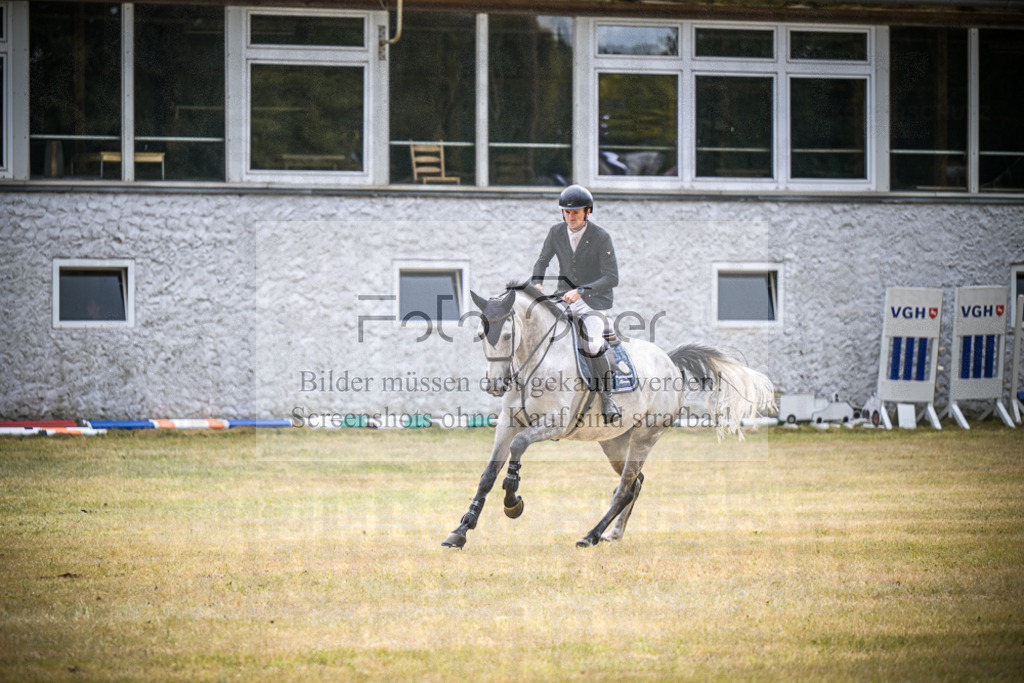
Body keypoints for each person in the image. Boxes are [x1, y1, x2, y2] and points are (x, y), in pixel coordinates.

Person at [531, 184, 621, 423]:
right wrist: (537, 283)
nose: (570, 217)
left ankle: (607, 398)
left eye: (576, 213)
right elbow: (542, 260)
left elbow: (612, 278)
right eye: (567, 212)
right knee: (543, 334)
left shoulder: (601, 237)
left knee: (592, 345)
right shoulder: (556, 232)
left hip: (593, 301)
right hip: (563, 297)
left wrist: (581, 291)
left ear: (587, 212)